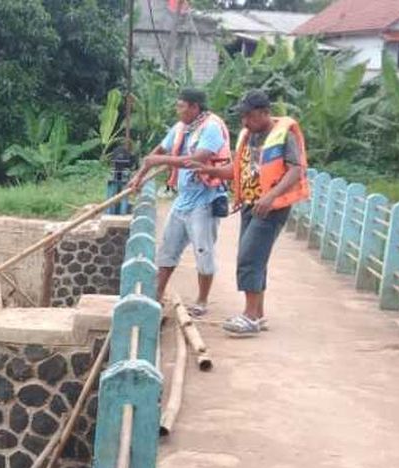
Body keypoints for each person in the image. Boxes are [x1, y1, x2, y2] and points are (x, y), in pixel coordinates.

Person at [196, 90, 310, 338]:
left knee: (249, 257)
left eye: (248, 116)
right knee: (256, 257)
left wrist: (270, 196)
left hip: (271, 207)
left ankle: (248, 316)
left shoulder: (284, 135)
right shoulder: (248, 136)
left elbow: (295, 171)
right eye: (243, 117)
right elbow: (238, 170)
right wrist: (209, 170)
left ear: (264, 113)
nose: (244, 122)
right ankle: (257, 314)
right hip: (250, 205)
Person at [126, 87, 231, 316]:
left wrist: (158, 160)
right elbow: (159, 150)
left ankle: (202, 301)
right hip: (183, 200)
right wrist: (139, 176)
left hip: (204, 200)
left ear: (194, 107)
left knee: (203, 252)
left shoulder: (211, 127)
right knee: (167, 250)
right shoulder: (181, 128)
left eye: (181, 106)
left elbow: (195, 160)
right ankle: (157, 295)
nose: (178, 110)